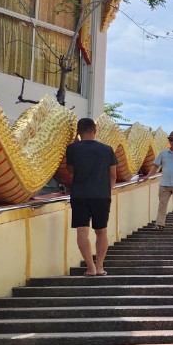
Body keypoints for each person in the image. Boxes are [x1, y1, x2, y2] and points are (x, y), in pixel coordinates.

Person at [63, 117, 117, 276]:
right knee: (101, 231)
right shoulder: (107, 149)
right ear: (95, 131)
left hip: (79, 194)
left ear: (79, 132)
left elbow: (71, 171)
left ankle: (90, 267)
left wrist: (75, 143)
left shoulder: (72, 149)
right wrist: (107, 191)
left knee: (82, 231)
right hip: (101, 195)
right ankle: (100, 266)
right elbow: (113, 175)